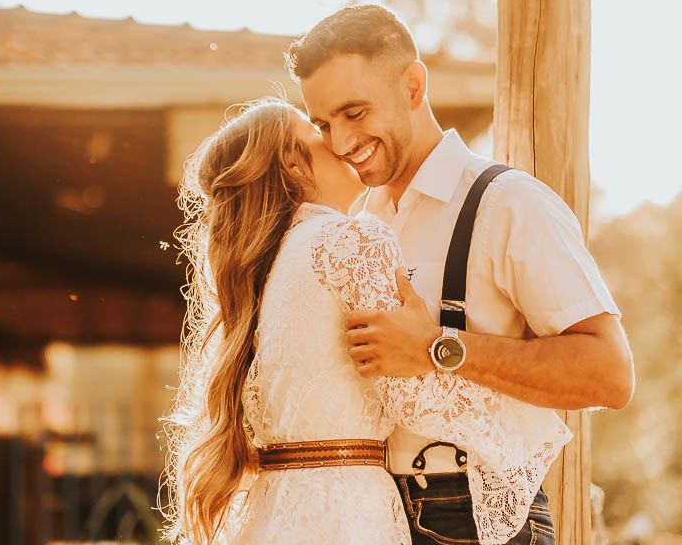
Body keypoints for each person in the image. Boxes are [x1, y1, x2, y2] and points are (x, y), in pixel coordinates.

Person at [285, 4, 635, 544]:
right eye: (324, 124)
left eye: (354, 113)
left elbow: (610, 374)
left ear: (413, 85)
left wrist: (437, 347)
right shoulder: (355, 223)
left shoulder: (508, 203)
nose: (340, 142)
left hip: (472, 517)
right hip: (370, 516)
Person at [160, 99, 571, 544]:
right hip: (347, 514)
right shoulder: (352, 239)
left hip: (273, 512)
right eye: (318, 132)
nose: (339, 143)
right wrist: (524, 419)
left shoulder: (261, 273)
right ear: (292, 163)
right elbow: (412, 398)